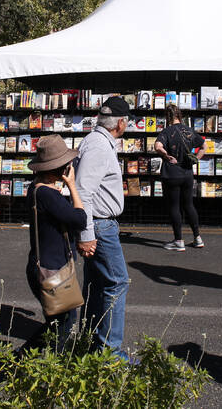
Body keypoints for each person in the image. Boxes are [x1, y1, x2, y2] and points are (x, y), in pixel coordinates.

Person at [75, 96, 130, 359]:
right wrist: (86, 234)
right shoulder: (99, 146)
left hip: (98, 224)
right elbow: (83, 192)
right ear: (121, 122)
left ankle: (93, 340)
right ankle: (110, 354)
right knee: (117, 283)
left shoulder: (98, 141)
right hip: (99, 225)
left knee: (98, 284)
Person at [21, 135, 86, 352]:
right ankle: (47, 367)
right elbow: (80, 219)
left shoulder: (36, 189)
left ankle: (23, 358)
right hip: (53, 270)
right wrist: (72, 186)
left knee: (56, 322)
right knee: (63, 324)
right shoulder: (49, 195)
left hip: (42, 266)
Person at [154, 104, 205, 251]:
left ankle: (178, 240)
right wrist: (195, 159)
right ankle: (197, 238)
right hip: (187, 173)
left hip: (172, 174)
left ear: (167, 117)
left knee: (174, 206)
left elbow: (158, 146)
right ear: (180, 115)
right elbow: (204, 147)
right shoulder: (189, 131)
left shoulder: (166, 131)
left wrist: (165, 155)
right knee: (189, 205)